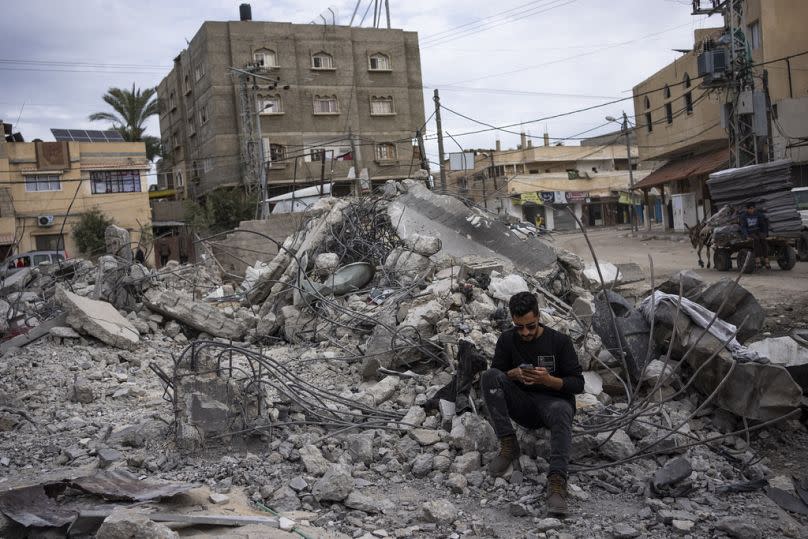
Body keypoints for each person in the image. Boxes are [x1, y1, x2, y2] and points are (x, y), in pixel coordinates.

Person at [481, 291, 584, 516]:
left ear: (539, 317)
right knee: (489, 377)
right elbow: (497, 373)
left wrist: (549, 380)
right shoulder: (507, 340)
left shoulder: (559, 342)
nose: (525, 332)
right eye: (520, 327)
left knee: (561, 410)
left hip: (554, 404)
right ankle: (509, 445)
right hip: (524, 404)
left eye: (531, 326)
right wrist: (513, 375)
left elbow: (577, 384)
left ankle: (556, 482)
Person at [739, 202, 770, 269]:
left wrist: (765, 233)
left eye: (752, 209)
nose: (751, 210)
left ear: (754, 208)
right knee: (756, 240)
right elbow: (743, 227)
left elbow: (763, 224)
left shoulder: (758, 214)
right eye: (750, 209)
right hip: (750, 232)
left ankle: (766, 258)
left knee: (763, 239)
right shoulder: (743, 216)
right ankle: (757, 259)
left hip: (757, 231)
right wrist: (746, 235)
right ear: (747, 209)